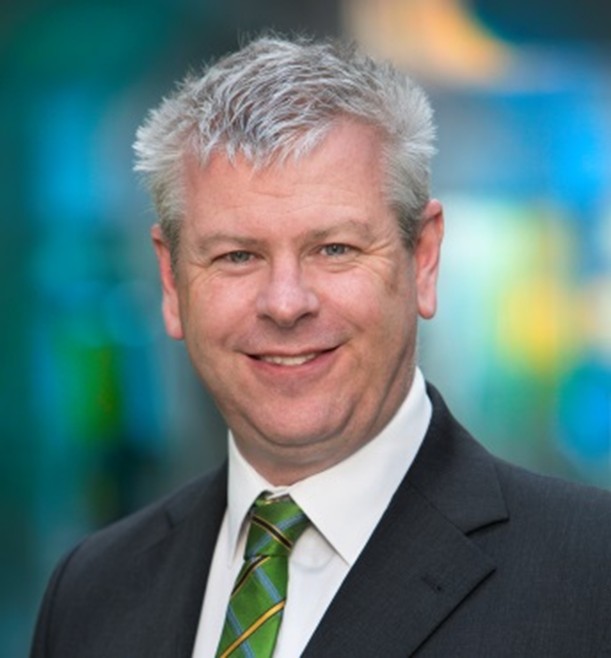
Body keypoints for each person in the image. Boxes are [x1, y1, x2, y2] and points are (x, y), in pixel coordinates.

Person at [30, 35, 611, 658]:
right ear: (172, 282)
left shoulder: (592, 574)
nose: (286, 304)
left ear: (423, 258)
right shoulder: (91, 591)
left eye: (335, 249)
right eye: (237, 255)